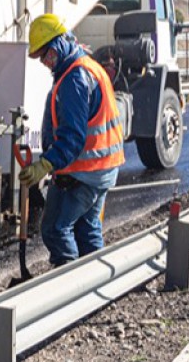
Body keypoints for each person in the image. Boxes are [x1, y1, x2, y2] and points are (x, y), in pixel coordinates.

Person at [22, 14, 125, 267]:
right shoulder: (85, 67)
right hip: (101, 169)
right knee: (87, 231)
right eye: (41, 58)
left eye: (46, 55)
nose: (45, 63)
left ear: (59, 44)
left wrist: (45, 164)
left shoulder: (74, 79)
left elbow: (73, 138)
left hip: (84, 172)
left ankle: (71, 283)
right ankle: (95, 284)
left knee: (56, 229)